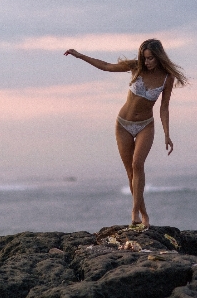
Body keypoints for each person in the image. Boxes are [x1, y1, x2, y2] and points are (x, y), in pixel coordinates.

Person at [64, 39, 187, 228]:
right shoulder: (136, 67)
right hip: (123, 125)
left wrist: (167, 134)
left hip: (146, 124)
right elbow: (106, 66)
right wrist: (80, 56)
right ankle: (142, 214)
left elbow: (164, 108)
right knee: (130, 171)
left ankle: (134, 211)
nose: (146, 62)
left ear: (159, 57)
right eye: (144, 58)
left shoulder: (166, 78)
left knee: (138, 164)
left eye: (150, 58)